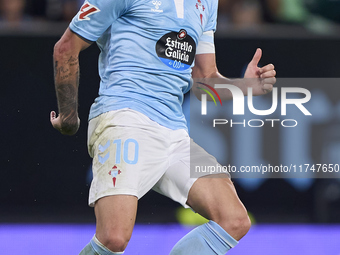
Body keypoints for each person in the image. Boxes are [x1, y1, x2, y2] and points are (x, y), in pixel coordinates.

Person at [50, 0, 276, 254]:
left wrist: (246, 87)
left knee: (234, 220)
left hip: (173, 130)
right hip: (125, 117)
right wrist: (68, 114)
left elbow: (204, 79)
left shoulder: (206, 3)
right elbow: (66, 47)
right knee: (113, 238)